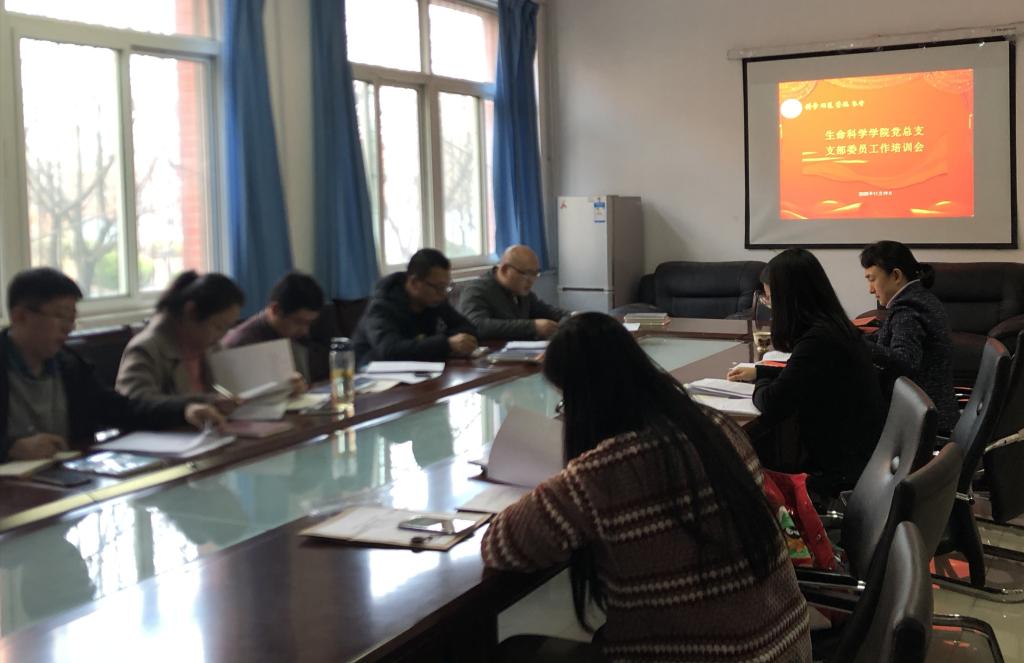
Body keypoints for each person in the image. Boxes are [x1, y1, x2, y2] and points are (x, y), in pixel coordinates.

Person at [482, 313, 811, 663]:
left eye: (566, 403)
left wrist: (553, 487)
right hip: (786, 646)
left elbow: (502, 545)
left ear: (582, 402)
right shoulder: (716, 427)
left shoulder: (603, 474)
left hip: (716, 654)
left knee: (514, 650)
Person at [1, 268, 223, 462]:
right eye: (60, 316)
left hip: (65, 481)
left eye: (72, 318)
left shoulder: (69, 365)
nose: (68, 328)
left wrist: (184, 410)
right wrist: (11, 448)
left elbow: (124, 410)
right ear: (20, 316)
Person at [727, 248, 885, 502]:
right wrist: (760, 371)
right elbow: (804, 374)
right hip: (859, 455)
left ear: (789, 298)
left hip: (838, 469)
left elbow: (773, 403)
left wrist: (762, 377)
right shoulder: (833, 327)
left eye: (771, 298)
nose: (771, 307)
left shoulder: (818, 340)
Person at [860, 240, 958, 432]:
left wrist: (858, 345)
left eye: (872, 279)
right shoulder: (920, 297)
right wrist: (856, 338)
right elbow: (888, 338)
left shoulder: (908, 310)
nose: (870, 289)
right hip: (936, 409)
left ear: (896, 275)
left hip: (921, 422)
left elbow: (905, 361)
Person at [116, 271, 244, 405]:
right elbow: (135, 402)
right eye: (218, 327)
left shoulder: (210, 348)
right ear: (190, 312)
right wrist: (200, 403)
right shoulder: (146, 350)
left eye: (227, 328)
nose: (221, 336)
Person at [353, 248, 478, 365]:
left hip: (418, 369)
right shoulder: (382, 306)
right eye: (439, 287)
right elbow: (390, 350)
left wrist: (452, 342)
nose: (444, 293)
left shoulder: (434, 300)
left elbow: (467, 327)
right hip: (371, 373)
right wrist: (446, 344)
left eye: (446, 286)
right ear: (414, 283)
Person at [221, 272, 324, 383]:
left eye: (309, 323)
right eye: (299, 322)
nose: (305, 331)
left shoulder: (296, 337)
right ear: (275, 309)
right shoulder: (241, 344)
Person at [457, 245, 569, 340]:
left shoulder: (521, 291)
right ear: (505, 270)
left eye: (535, 274)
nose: (532, 280)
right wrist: (532, 327)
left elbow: (547, 311)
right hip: (490, 356)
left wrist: (572, 317)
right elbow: (477, 325)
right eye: (526, 273)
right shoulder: (476, 290)